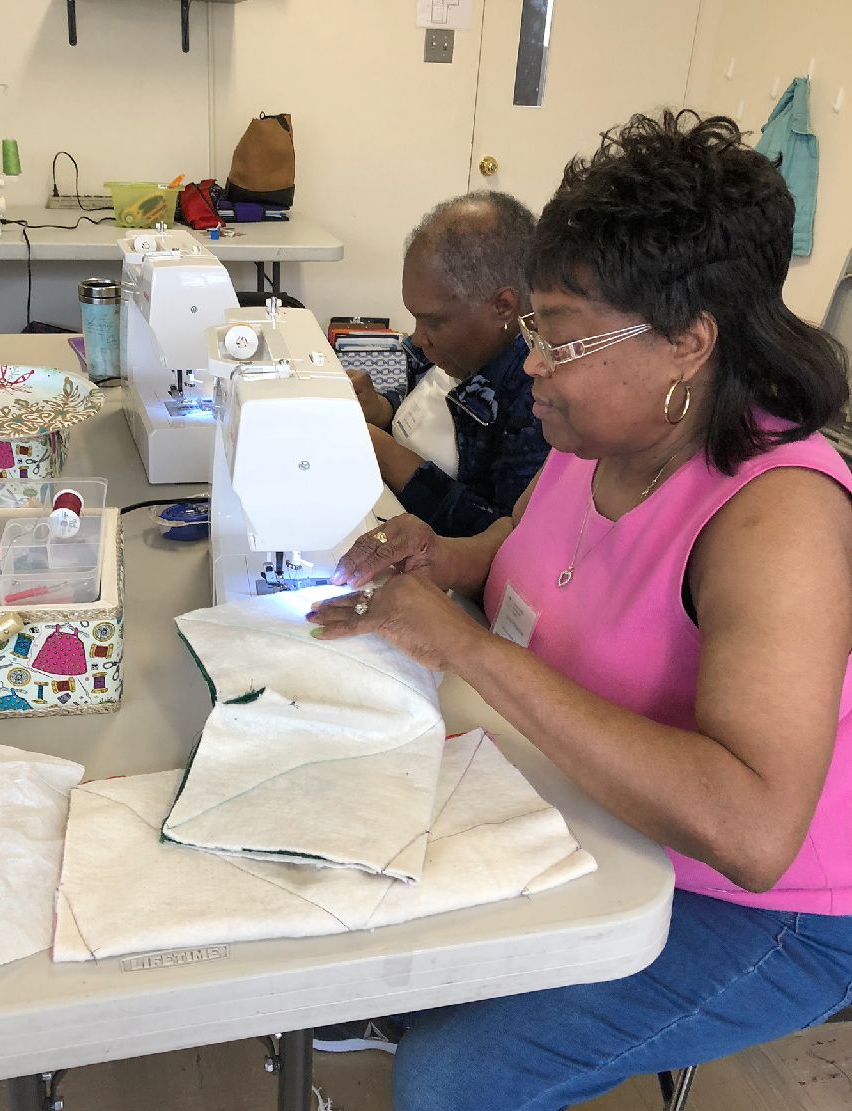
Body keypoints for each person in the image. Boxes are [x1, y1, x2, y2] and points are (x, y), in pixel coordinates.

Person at [306, 110, 852, 1110]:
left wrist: (467, 648)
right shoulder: (589, 433)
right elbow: (523, 556)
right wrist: (445, 557)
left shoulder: (778, 514)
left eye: (555, 336)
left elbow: (751, 827)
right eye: (530, 330)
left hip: (763, 905)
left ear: (688, 343)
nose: (530, 369)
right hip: (589, 801)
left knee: (455, 1077)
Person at [349, 191, 549, 537]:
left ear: (503, 306)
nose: (416, 339)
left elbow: (504, 535)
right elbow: (432, 400)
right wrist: (382, 409)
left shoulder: (538, 396)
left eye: (433, 322)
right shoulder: (462, 351)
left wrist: (385, 455)